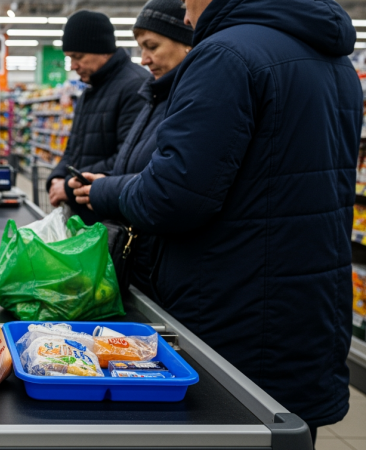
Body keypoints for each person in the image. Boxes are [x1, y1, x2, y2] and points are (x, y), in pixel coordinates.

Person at [116, 0, 361, 443]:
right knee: (288, 433)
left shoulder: (226, 55)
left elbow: (173, 198)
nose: (187, 16)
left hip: (235, 314)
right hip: (310, 314)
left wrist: (104, 192)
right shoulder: (337, 63)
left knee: (229, 429)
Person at [68, 0, 193, 299]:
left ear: (188, 44)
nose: (145, 59)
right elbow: (130, 164)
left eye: (152, 46)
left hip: (158, 265)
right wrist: (69, 179)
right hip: (133, 254)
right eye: (141, 48)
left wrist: (104, 189)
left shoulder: (179, 99)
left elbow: (167, 185)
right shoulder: (154, 95)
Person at [46, 10, 149, 225]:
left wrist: (67, 186)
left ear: (101, 50)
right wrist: (56, 177)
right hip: (83, 216)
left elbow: (128, 159)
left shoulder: (135, 87)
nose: (73, 66)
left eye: (78, 57)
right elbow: (72, 149)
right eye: (69, 58)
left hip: (111, 221)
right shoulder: (89, 91)